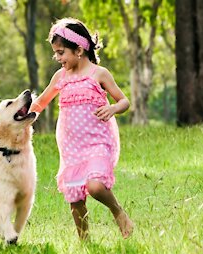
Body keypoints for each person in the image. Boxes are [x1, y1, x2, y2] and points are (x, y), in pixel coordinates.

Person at [29, 17, 134, 240]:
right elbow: (42, 102)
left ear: (78, 50)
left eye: (60, 52)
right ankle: (84, 243)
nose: (57, 58)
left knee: (95, 186)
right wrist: (23, 117)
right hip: (71, 148)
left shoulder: (99, 74)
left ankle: (118, 212)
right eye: (55, 53)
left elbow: (124, 101)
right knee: (75, 201)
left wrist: (113, 109)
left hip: (97, 142)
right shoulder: (61, 77)